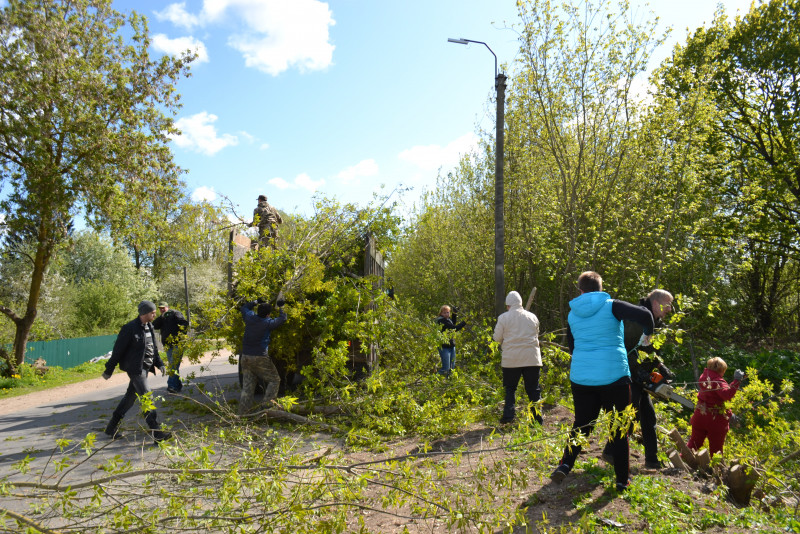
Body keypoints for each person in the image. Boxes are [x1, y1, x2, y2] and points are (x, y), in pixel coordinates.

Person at [550, 271, 654, 492]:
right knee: (618, 426)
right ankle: (621, 480)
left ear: (580, 290)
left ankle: (566, 464)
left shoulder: (573, 313)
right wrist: (648, 334)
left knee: (582, 422)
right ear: (601, 287)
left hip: (582, 376)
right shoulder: (612, 305)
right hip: (613, 376)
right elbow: (646, 315)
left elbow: (572, 345)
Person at [601, 289, 675, 469]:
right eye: (668, 304)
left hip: (640, 376)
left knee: (648, 418)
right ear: (656, 303)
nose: (670, 309)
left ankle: (652, 460)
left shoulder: (654, 320)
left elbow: (648, 349)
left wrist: (659, 367)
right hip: (628, 374)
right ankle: (610, 452)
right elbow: (626, 347)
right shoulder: (638, 317)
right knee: (628, 416)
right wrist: (636, 371)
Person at [102, 301, 172, 443]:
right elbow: (118, 350)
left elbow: (154, 349)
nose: (155, 314)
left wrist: (160, 364)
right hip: (135, 369)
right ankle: (157, 432)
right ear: (145, 313)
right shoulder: (129, 328)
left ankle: (111, 427)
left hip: (145, 368)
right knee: (147, 397)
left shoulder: (150, 326)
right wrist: (109, 369)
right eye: (152, 312)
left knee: (130, 398)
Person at [493, 291, 543, 425]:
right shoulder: (532, 317)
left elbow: (497, 338)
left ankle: (508, 417)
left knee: (510, 389)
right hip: (532, 358)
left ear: (508, 305)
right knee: (534, 389)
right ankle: (537, 420)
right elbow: (536, 334)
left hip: (511, 359)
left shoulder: (503, 318)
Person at [239, 298, 287, 415]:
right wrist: (281, 307)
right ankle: (266, 409)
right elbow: (283, 318)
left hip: (245, 357)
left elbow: (244, 308)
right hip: (259, 357)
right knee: (275, 380)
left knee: (247, 387)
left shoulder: (250, 317)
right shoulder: (268, 323)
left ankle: (243, 415)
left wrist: (256, 301)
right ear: (268, 315)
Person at [686, 357, 743, 456]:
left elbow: (712, 400)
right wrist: (737, 380)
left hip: (699, 416)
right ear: (721, 370)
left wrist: (729, 414)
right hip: (715, 420)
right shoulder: (718, 381)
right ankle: (717, 469)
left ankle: (681, 461)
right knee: (716, 451)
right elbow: (727, 394)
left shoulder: (704, 378)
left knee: (694, 443)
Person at [152, 302, 190, 394]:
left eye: (163, 308)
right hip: (168, 345)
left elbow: (184, 324)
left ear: (167, 307)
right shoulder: (163, 317)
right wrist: (161, 317)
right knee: (173, 366)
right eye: (160, 308)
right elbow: (154, 325)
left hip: (177, 344)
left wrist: (180, 336)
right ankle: (177, 385)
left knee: (173, 365)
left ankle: (171, 386)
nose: (162, 309)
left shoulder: (175, 314)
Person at [435, 305, 466, 376]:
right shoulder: (441, 321)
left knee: (452, 368)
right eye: (445, 313)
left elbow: (452, 323)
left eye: (448, 312)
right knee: (445, 369)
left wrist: (454, 313)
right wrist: (464, 322)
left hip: (451, 346)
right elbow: (454, 328)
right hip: (444, 347)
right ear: (441, 313)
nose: (447, 314)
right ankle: (432, 380)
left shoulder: (448, 319)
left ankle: (448, 383)